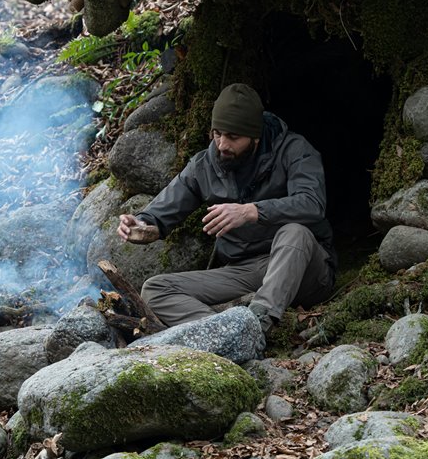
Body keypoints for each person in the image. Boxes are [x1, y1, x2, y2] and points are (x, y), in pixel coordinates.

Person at [116, 83, 336, 332]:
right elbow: (160, 213)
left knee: (295, 232)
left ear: (256, 136)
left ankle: (259, 324)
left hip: (302, 267)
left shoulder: (294, 151)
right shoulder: (204, 166)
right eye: (217, 133)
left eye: (233, 137)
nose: (222, 145)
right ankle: (227, 331)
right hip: (244, 272)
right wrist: (143, 225)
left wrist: (251, 211)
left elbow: (312, 203)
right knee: (155, 289)